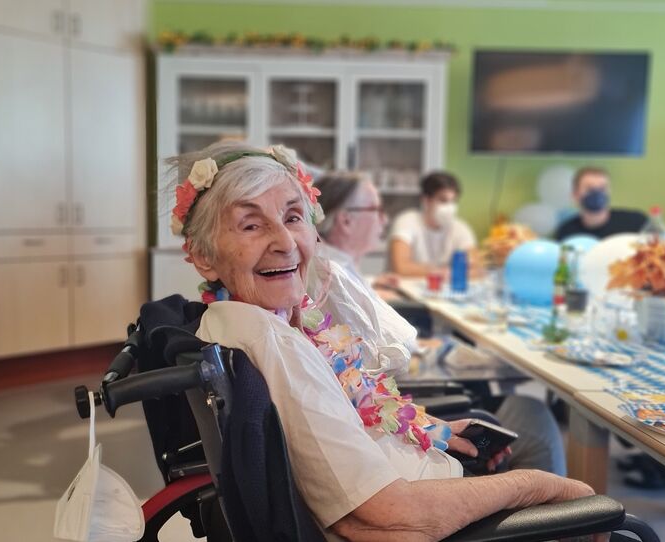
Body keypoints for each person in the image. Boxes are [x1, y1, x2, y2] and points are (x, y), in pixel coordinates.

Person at [169, 142, 597, 541]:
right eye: (250, 225)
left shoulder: (251, 324)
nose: (284, 243)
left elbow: (348, 429)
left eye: (293, 217)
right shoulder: (274, 343)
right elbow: (385, 514)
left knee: (524, 422)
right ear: (204, 256)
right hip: (433, 516)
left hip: (421, 482)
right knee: (543, 438)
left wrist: (433, 431)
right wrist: (535, 487)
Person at [314, 170, 567, 476]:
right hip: (402, 415)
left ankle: (534, 508)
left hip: (396, 409)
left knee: (508, 396)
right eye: (376, 210)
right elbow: (376, 369)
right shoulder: (334, 280)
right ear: (345, 220)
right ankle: (542, 511)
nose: (384, 219)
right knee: (533, 414)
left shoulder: (336, 268)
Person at [389, 171, 477, 277]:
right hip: (401, 290)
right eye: (443, 200)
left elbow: (477, 269)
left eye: (453, 201)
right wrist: (446, 272)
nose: (450, 207)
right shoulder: (407, 221)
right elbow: (401, 268)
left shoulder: (460, 227)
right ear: (426, 200)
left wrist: (441, 272)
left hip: (441, 291)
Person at [554, 166, 647, 241]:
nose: (597, 193)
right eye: (590, 189)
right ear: (575, 195)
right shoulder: (567, 231)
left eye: (602, 188)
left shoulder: (636, 222)